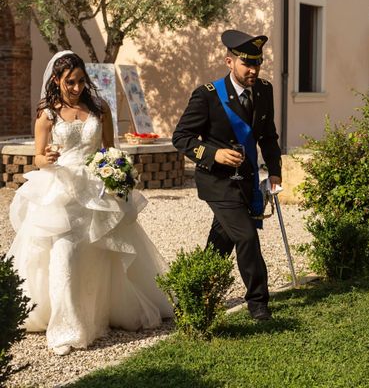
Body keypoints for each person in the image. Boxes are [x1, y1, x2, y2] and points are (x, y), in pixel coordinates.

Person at [7, 51, 172, 356]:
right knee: (64, 255)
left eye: (81, 80)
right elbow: (39, 156)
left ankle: (99, 313)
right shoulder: (47, 114)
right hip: (61, 192)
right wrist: (48, 159)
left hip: (97, 191)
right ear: (56, 80)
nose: (77, 87)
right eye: (70, 81)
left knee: (99, 253)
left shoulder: (100, 108)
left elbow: (110, 150)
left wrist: (117, 172)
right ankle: (66, 328)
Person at [172, 29, 282, 321]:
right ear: (229, 62)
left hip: (246, 180)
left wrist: (275, 172)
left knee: (221, 241)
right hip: (217, 182)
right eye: (247, 64)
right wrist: (213, 154)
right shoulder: (207, 96)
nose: (253, 70)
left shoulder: (264, 90)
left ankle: (197, 294)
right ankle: (258, 303)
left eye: (257, 64)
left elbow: (268, 136)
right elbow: (181, 137)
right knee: (246, 236)